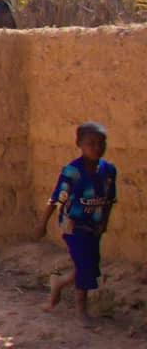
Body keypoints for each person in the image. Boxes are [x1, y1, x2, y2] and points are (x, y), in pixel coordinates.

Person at [44, 121, 118, 324]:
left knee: (88, 265)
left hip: (93, 227)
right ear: (79, 144)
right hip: (74, 226)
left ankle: (59, 283)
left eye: (101, 143)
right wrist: (42, 224)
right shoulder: (72, 172)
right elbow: (57, 198)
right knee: (85, 266)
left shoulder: (108, 171)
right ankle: (81, 311)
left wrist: (104, 222)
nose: (96, 148)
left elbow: (110, 200)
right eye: (90, 143)